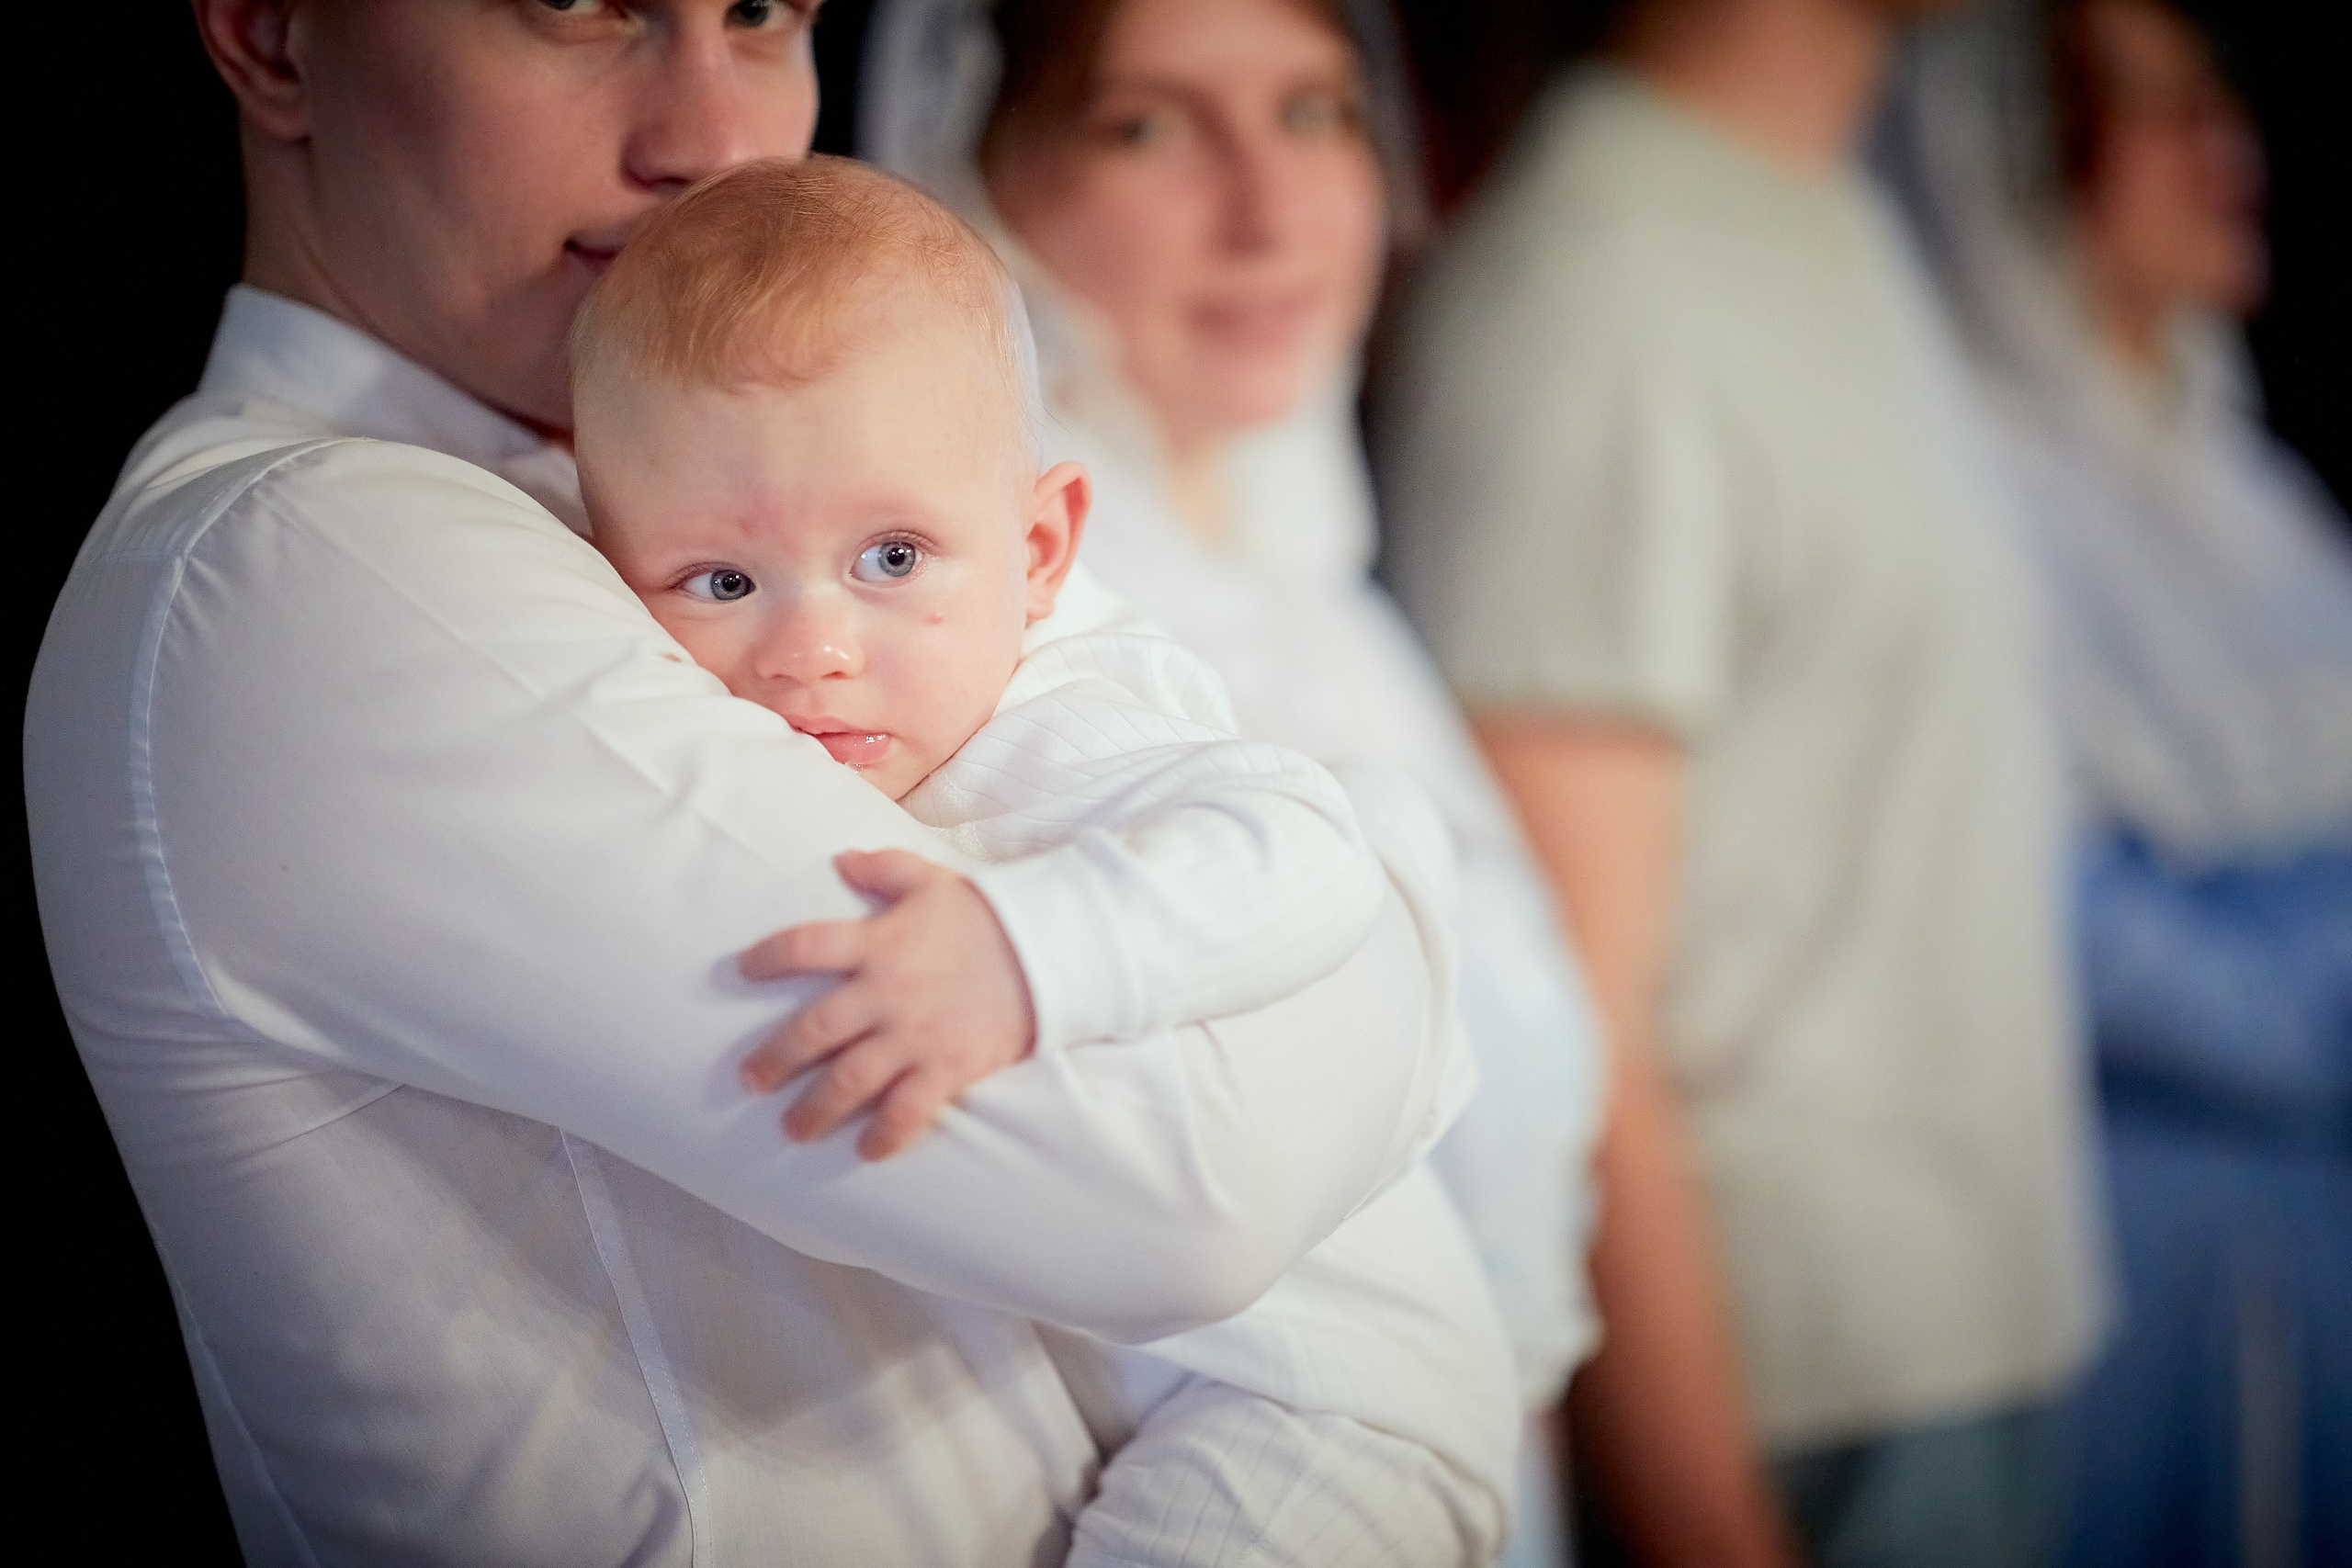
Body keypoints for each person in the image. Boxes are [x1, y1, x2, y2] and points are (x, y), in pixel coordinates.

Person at [23, 2, 1470, 1561]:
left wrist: (1349, 879)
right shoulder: (304, 562)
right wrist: (1379, 895)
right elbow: (1193, 1189)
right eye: (581, 8)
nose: (712, 140)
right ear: (275, 37)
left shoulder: (820, 471)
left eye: (765, 11)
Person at [573, 152, 1517, 1562]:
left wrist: (1029, 954)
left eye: (891, 558)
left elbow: (1315, 844)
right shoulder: (836, 722)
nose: (812, 647)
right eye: (721, 583)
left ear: (1038, 545)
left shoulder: (1057, 720)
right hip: (1159, 1387)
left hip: (1335, 1405)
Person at [858, 1, 1611, 1562]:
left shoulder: (1323, 597)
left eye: (1315, 114)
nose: (1268, 213)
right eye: (1146, 126)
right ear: (979, 172)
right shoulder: (971, 666)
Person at [1376, 0, 2114, 1562]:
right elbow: (1570, 1020)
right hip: (1806, 1403)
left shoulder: (1818, 201)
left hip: (1970, 1339)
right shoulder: (1601, 278)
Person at [1885, 5, 2352, 1563]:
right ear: (2014, 168)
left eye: (2217, 104)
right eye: (2149, 113)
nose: (2222, 152)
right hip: (2148, 1258)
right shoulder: (1977, 498)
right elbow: (2044, 907)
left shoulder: (2238, 476)